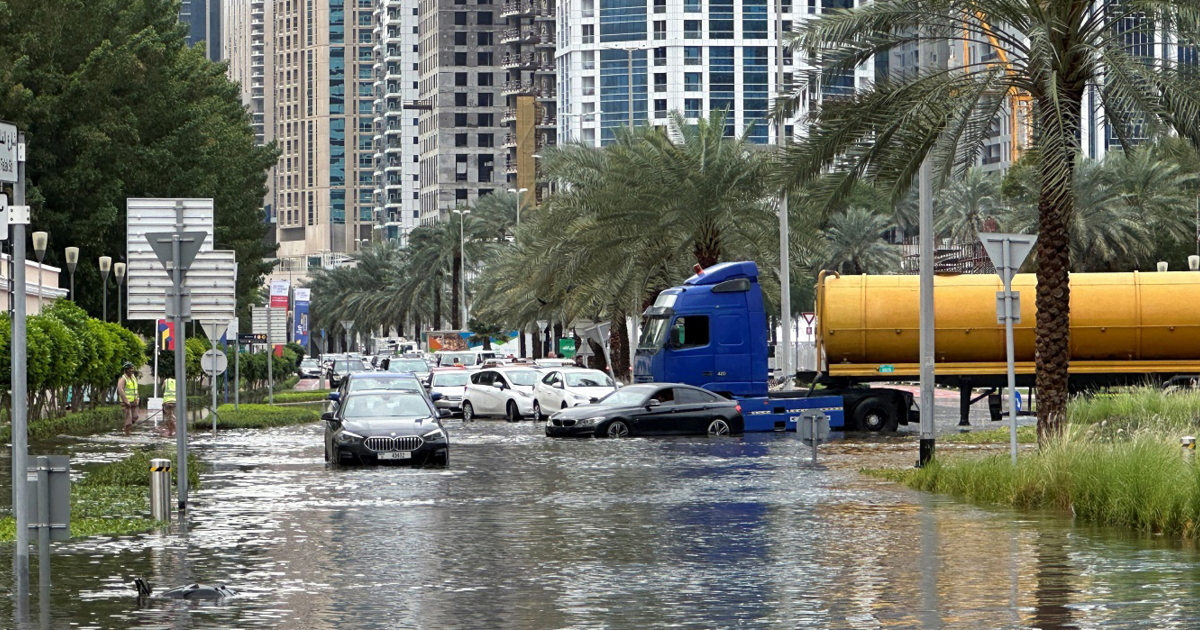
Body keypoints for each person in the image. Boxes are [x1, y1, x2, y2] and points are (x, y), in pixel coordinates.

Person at [118, 362, 140, 435]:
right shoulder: (123, 379)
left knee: (136, 416)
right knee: (128, 419)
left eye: (132, 368)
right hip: (126, 402)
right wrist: (126, 401)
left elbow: (136, 389)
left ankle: (127, 428)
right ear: (127, 370)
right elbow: (120, 389)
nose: (132, 370)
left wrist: (137, 398)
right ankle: (127, 432)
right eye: (131, 369)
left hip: (134, 401)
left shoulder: (133, 377)